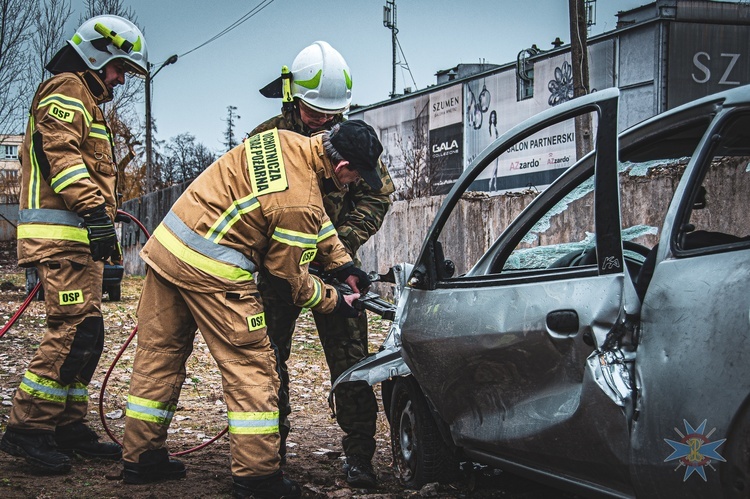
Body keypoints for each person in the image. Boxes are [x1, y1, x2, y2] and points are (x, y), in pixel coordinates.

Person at [120, 119, 383, 498]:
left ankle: (141, 459)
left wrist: (341, 264)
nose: (355, 183)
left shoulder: (285, 142)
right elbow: (290, 280)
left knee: (158, 357)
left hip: (167, 250)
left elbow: (315, 218)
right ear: (342, 168)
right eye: (356, 176)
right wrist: (335, 300)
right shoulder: (301, 201)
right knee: (254, 368)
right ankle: (258, 478)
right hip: (214, 270)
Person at [0, 15, 148, 474]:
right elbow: (60, 156)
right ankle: (28, 430)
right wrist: (93, 213)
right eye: (119, 67)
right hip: (62, 241)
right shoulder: (66, 88)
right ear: (96, 54)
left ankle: (68, 426)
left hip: (79, 244)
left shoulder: (86, 97)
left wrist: (96, 224)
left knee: (88, 334)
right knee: (69, 333)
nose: (121, 78)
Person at [250, 41, 394, 488]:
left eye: (333, 113)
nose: (325, 121)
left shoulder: (349, 136)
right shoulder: (266, 139)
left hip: (335, 265)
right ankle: (269, 456)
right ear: (294, 97)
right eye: (317, 113)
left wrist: (341, 247)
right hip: (280, 269)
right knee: (269, 360)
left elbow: (377, 193)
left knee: (351, 362)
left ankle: (359, 456)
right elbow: (253, 204)